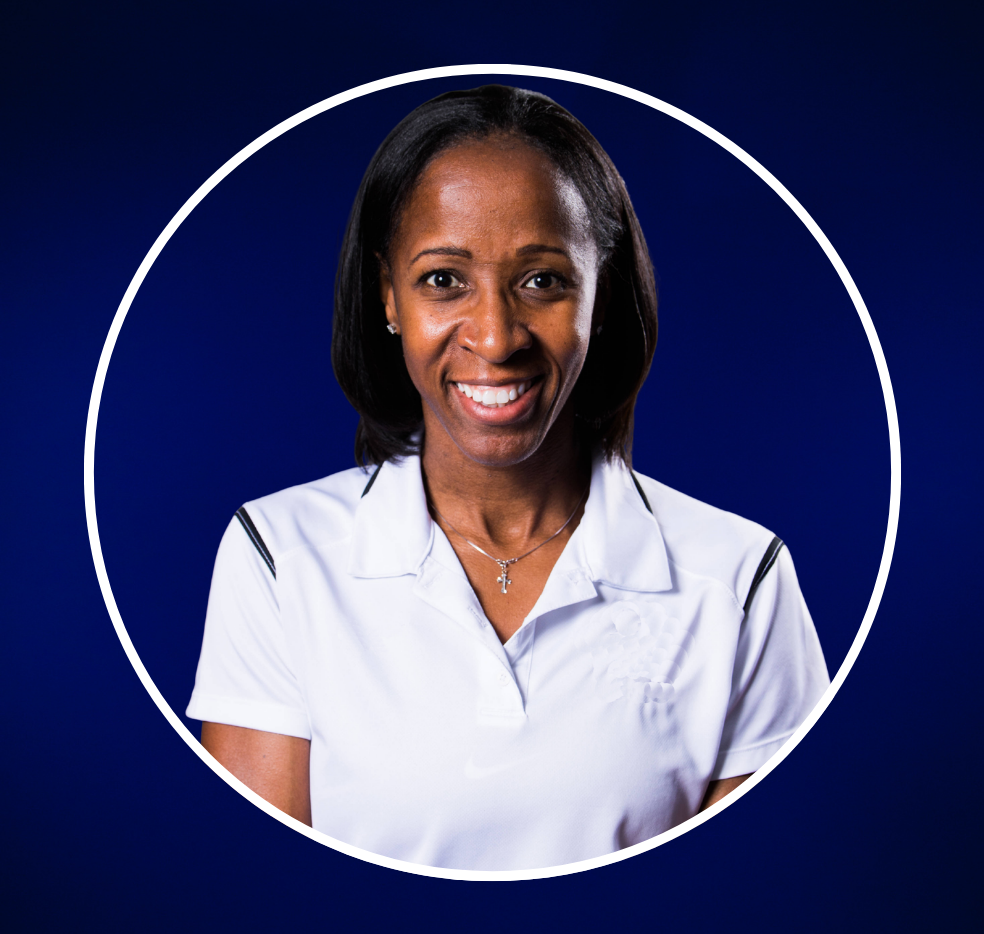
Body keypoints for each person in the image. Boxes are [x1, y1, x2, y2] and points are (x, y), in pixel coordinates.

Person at [186, 85, 830, 871]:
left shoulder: (739, 577)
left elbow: (758, 893)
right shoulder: (278, 558)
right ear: (388, 296)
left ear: (601, 294)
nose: (495, 338)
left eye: (542, 280)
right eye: (443, 280)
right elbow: (259, 891)